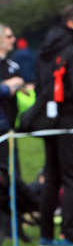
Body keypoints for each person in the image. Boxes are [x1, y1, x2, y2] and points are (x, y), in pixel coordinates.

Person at [35, 4, 73, 246]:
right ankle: (70, 234)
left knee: (51, 178)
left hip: (48, 120)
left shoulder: (45, 50)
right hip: (71, 121)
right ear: (72, 25)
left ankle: (46, 235)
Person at [0, 23, 25, 171]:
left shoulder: (13, 66)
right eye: (9, 36)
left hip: (9, 124)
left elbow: (21, 84)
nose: (13, 39)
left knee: (13, 169)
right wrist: (7, 85)